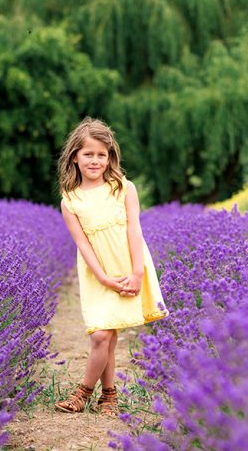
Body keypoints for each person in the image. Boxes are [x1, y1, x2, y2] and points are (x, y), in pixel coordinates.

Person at [55, 117, 169, 417]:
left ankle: (107, 396)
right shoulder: (70, 201)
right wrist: (104, 277)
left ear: (110, 157)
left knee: (110, 334)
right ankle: (87, 393)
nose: (95, 160)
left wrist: (137, 273)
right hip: (97, 273)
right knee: (101, 335)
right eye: (88, 154)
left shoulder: (123, 187)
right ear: (75, 157)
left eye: (101, 154)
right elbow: (83, 245)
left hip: (129, 265)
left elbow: (135, 231)